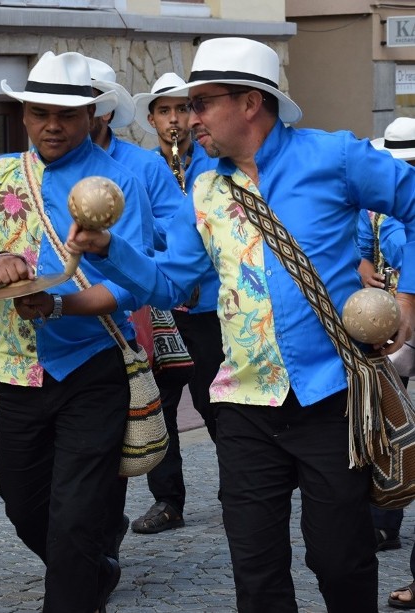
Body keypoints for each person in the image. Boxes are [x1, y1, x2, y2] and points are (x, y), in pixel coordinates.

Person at [66, 37, 415, 612]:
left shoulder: (336, 157)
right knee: (255, 570)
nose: (188, 119)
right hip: (243, 404)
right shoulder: (203, 189)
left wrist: (408, 298)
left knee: (340, 559)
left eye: (201, 103)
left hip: (332, 397)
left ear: (251, 102)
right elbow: (172, 281)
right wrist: (106, 247)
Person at [0, 50, 155, 613]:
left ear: (93, 114)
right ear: (25, 115)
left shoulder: (121, 180)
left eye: (66, 114)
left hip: (94, 366)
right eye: (40, 113)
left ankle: (73, 592)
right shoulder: (0, 174)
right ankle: (91, 567)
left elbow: (134, 286)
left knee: (76, 512)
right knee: (21, 500)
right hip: (18, 370)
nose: (53, 125)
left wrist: (60, 307)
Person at [85, 56, 189, 545]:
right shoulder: (38, 168)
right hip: (66, 321)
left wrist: (128, 243)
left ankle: (203, 493)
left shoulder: (143, 165)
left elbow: (173, 228)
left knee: (153, 405)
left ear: (101, 114)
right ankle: (108, 522)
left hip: (140, 305)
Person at [127, 72, 223, 535]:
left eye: (182, 109)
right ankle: (168, 501)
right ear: (151, 119)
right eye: (165, 111)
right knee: (160, 405)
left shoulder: (212, 163)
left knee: (217, 403)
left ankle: (239, 490)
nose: (174, 119)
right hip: (161, 310)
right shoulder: (142, 168)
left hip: (207, 309)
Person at [359, 117, 415, 610]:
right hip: (386, 326)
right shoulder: (374, 208)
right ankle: (385, 519)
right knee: (386, 418)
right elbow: (359, 254)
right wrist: (368, 275)